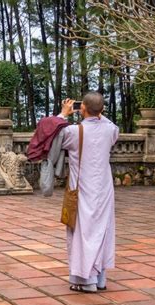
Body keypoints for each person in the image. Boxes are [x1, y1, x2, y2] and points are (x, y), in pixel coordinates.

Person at [58, 91, 119, 293]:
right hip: (103, 188)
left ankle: (86, 280)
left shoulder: (74, 132)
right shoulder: (110, 130)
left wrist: (63, 115)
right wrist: (98, 112)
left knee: (83, 233)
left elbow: (53, 135)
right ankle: (100, 279)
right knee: (101, 231)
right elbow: (112, 126)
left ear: (81, 108)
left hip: (82, 187)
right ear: (102, 110)